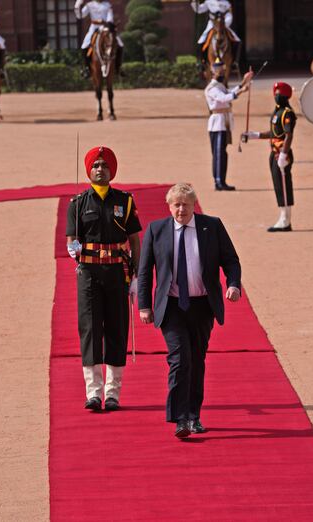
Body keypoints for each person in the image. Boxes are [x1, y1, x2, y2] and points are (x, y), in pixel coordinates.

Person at [136, 183, 241, 438]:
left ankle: (194, 416)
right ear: (169, 206)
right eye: (176, 204)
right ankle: (180, 418)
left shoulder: (211, 226)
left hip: (202, 305)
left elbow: (230, 260)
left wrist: (233, 284)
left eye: (185, 204)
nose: (181, 209)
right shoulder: (157, 230)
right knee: (180, 359)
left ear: (194, 205)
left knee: (196, 360)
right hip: (171, 306)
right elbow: (145, 270)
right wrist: (144, 306)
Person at [66, 146, 142, 412]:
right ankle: (93, 392)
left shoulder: (125, 201)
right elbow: (71, 239)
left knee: (116, 329)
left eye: (105, 165)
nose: (100, 169)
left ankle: (113, 393)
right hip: (88, 274)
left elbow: (134, 240)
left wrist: (136, 277)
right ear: (89, 170)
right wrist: (72, 248)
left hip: (116, 273)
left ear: (112, 170)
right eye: (96, 165)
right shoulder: (77, 204)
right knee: (90, 330)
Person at [241, 81, 298, 231]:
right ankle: (282, 216)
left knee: (284, 186)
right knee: (278, 186)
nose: (277, 96)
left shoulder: (287, 113)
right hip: (274, 153)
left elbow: (288, 135)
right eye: (276, 93)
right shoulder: (277, 112)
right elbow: (273, 133)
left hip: (282, 154)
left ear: (286, 96)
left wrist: (284, 155)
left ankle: (286, 220)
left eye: (280, 94)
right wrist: (254, 135)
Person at [204, 60, 253, 191]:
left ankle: (222, 181)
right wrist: (242, 90)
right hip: (217, 124)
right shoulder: (212, 88)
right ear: (213, 72)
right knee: (219, 154)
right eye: (220, 71)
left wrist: (243, 82)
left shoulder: (220, 85)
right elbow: (224, 98)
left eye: (223, 71)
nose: (223, 73)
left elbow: (229, 92)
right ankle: (218, 182)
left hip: (223, 123)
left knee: (223, 154)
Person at [75, 0, 124, 79]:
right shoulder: (89, 5)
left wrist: (107, 23)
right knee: (84, 46)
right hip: (94, 27)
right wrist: (78, 5)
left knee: (120, 44)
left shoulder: (107, 5)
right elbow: (80, 16)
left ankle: (118, 68)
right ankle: (87, 68)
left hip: (106, 27)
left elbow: (110, 18)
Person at [191, 0, 241, 70]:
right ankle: (202, 61)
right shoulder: (208, 2)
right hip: (212, 24)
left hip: (224, 24)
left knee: (236, 39)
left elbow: (229, 15)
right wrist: (194, 3)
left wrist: (223, 24)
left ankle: (234, 62)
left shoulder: (226, 3)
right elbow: (199, 10)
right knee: (201, 40)